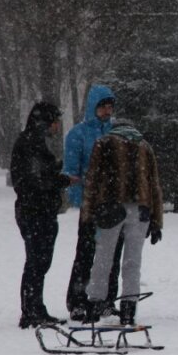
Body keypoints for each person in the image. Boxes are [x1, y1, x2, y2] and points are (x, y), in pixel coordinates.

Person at [80, 116, 164, 326]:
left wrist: (87, 215)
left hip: (110, 208)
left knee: (103, 258)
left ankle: (95, 305)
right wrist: (156, 221)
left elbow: (92, 180)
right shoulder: (145, 146)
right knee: (132, 262)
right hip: (141, 210)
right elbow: (154, 185)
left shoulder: (104, 143)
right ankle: (129, 307)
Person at [10, 102, 76, 328]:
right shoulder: (31, 143)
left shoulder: (33, 142)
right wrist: (63, 180)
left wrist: (57, 169)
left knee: (39, 261)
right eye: (56, 121)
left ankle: (35, 307)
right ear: (46, 122)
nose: (57, 126)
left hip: (39, 210)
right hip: (35, 211)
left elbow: (38, 174)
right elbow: (34, 180)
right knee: (37, 261)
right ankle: (31, 310)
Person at [64, 85, 123, 320]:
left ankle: (106, 300)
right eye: (103, 107)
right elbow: (72, 171)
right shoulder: (78, 134)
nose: (107, 111)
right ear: (94, 107)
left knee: (112, 255)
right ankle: (78, 300)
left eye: (110, 107)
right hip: (91, 204)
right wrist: (81, 198)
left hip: (114, 204)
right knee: (86, 254)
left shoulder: (117, 133)